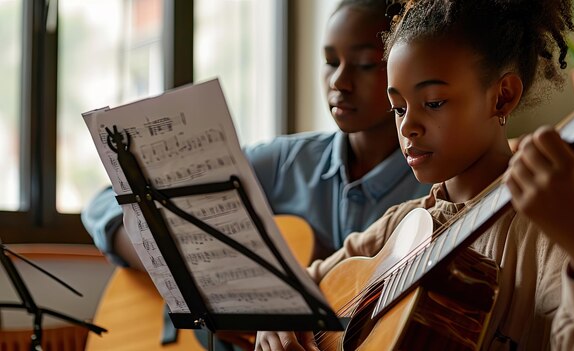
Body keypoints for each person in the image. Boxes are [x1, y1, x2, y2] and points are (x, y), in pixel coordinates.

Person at [255, 0, 574, 350]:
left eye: (433, 103)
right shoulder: (401, 225)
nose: (408, 127)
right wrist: (281, 313)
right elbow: (305, 281)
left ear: (502, 97)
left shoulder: (545, 235)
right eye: (398, 108)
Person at [81, 0, 430, 349]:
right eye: (329, 61)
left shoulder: (432, 188)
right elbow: (105, 204)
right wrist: (193, 288)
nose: (339, 79)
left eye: (366, 64)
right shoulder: (285, 161)